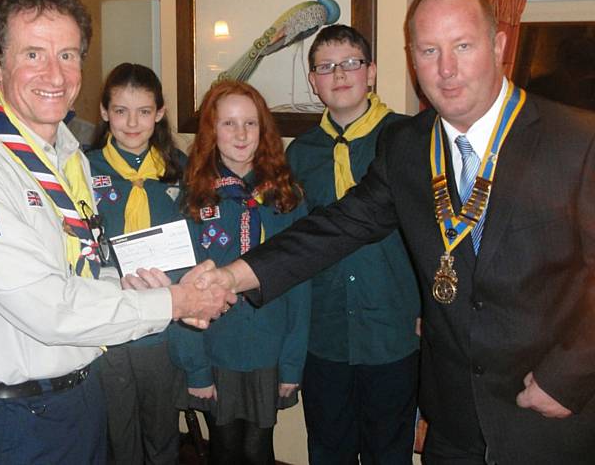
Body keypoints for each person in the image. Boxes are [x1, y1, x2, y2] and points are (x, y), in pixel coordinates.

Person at [189, 0, 595, 464]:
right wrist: (231, 275)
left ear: (499, 46)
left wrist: (571, 374)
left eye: (462, 46)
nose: (446, 68)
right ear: (412, 59)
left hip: (547, 412)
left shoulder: (578, 140)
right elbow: (336, 227)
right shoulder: (408, 146)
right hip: (452, 421)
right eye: (429, 51)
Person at [0, 0, 231, 465]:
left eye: (68, 55)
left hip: (80, 394)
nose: (56, 74)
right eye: (34, 54)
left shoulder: (68, 157)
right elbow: (49, 307)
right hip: (15, 416)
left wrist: (150, 292)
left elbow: (86, 268)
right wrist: (170, 301)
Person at [286, 24, 420, 464]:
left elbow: (435, 235)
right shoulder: (300, 153)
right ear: (313, 82)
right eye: (325, 67)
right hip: (324, 334)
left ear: (372, 72)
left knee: (389, 452)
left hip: (393, 330)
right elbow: (293, 243)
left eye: (350, 63)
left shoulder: (411, 138)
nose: (339, 75)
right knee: (328, 449)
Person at [170, 80, 311, 465]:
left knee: (260, 449)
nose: (241, 134)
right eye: (229, 123)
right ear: (212, 131)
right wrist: (197, 369)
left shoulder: (287, 196)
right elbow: (179, 290)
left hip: (271, 349)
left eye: (250, 123)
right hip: (216, 350)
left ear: (263, 129)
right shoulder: (193, 199)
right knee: (226, 449)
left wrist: (292, 362)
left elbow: (300, 286)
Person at [86, 63, 186, 464]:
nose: (132, 122)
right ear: (104, 111)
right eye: (121, 110)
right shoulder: (83, 168)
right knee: (117, 435)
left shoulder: (178, 168)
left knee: (163, 434)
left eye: (144, 111)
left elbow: (194, 242)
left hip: (160, 325)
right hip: (106, 324)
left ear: (159, 113)